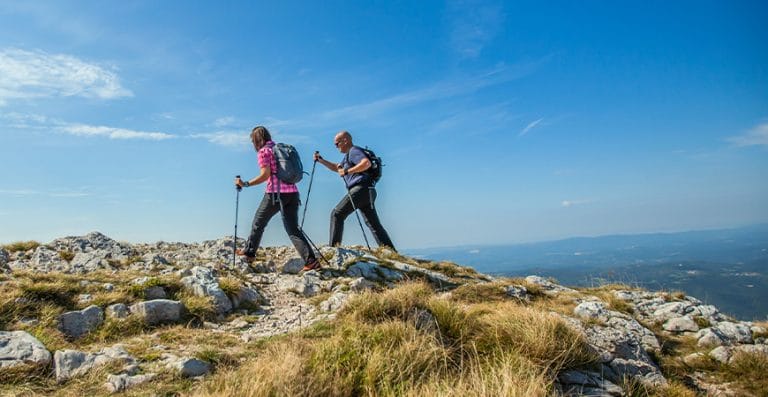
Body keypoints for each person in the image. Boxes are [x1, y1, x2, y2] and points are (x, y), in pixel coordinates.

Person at [235, 126, 321, 271]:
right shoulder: (279, 148)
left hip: (275, 194)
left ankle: (249, 253)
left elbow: (265, 175)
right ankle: (311, 261)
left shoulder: (264, 152)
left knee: (258, 222)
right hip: (293, 194)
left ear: (256, 140)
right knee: (293, 229)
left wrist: (246, 183)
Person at [314, 131, 396, 251]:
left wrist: (347, 172)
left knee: (337, 214)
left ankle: (334, 249)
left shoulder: (354, 151)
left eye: (337, 144)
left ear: (345, 140)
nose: (336, 146)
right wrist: (321, 160)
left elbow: (366, 163)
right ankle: (391, 252)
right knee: (373, 224)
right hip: (369, 191)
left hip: (360, 189)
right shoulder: (348, 156)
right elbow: (338, 167)